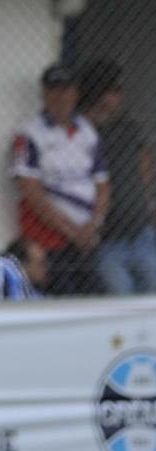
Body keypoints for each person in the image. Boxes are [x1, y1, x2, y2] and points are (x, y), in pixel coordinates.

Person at [12, 64, 109, 295]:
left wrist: (93, 225)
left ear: (76, 93)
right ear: (44, 93)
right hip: (48, 242)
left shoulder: (87, 131)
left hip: (86, 240)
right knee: (61, 300)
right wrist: (73, 232)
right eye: (54, 89)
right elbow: (30, 190)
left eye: (66, 89)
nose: (61, 96)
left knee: (93, 300)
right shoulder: (29, 133)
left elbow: (103, 184)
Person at [79, 60, 156, 294]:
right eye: (114, 90)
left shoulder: (128, 126)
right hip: (108, 240)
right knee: (120, 301)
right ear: (98, 92)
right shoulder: (80, 130)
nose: (119, 97)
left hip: (140, 233)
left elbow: (144, 164)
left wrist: (148, 202)